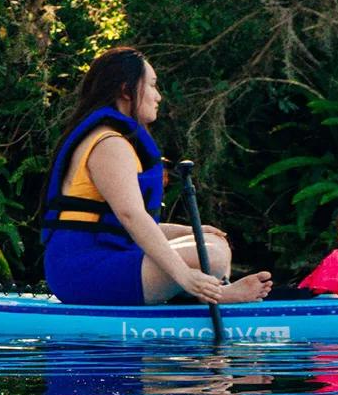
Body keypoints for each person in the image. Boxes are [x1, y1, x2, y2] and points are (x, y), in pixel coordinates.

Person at [41, 45, 272, 307]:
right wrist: (185, 276)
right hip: (82, 272)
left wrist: (186, 230)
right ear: (126, 90)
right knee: (212, 255)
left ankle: (209, 290)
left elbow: (114, 224)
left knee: (212, 241)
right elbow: (131, 217)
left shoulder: (113, 139)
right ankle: (211, 293)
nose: (158, 96)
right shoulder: (109, 144)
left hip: (105, 257)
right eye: (152, 85)